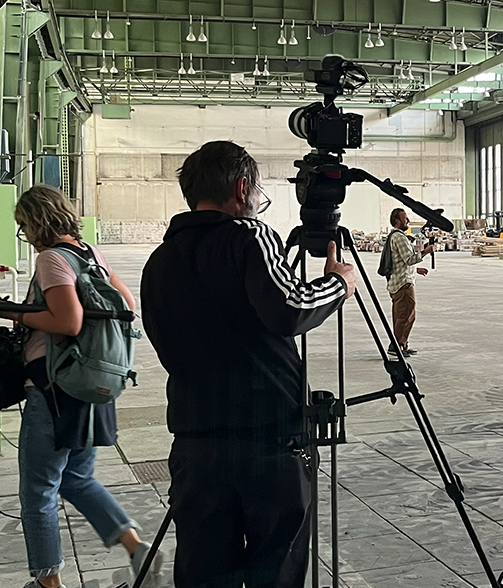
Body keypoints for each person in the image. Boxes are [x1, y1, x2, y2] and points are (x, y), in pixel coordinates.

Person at [140, 140, 357, 588]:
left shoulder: (159, 261)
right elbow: (289, 307)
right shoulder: (250, 235)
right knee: (274, 569)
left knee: (202, 572)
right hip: (268, 443)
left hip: (196, 445)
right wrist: (337, 284)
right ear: (242, 188)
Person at [5, 185, 155, 588]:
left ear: (37, 221)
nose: (24, 233)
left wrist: (19, 315)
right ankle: (136, 548)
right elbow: (127, 303)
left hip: (55, 388)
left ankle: (47, 583)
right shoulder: (89, 254)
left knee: (38, 492)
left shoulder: (52, 258)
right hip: (92, 383)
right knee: (77, 478)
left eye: (23, 225)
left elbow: (68, 322)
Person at [384, 208, 436, 356]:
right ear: (397, 221)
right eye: (404, 218)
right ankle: (397, 346)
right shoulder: (400, 237)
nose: (407, 221)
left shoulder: (394, 236)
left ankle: (401, 345)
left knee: (401, 315)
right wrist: (426, 251)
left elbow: (400, 261)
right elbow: (409, 259)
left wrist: (415, 269)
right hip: (403, 284)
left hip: (399, 280)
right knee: (406, 315)